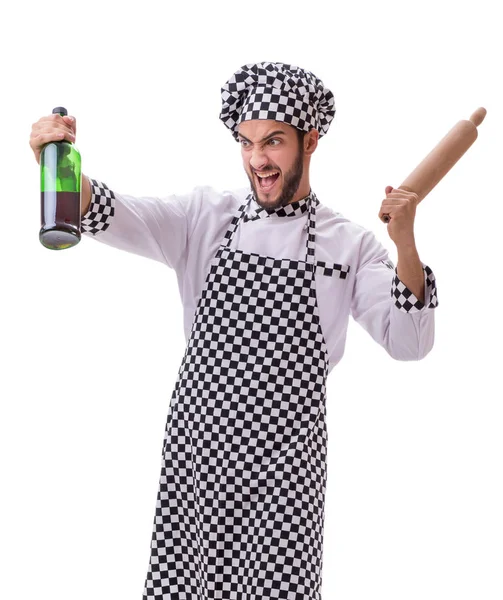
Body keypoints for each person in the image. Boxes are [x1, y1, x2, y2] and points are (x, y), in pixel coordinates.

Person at [30, 62, 438, 600]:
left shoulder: (350, 246)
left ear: (309, 141)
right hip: (197, 464)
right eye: (246, 143)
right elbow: (106, 211)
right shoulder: (206, 217)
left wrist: (406, 244)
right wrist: (51, 166)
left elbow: (408, 342)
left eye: (273, 141)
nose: (258, 160)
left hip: (284, 479)